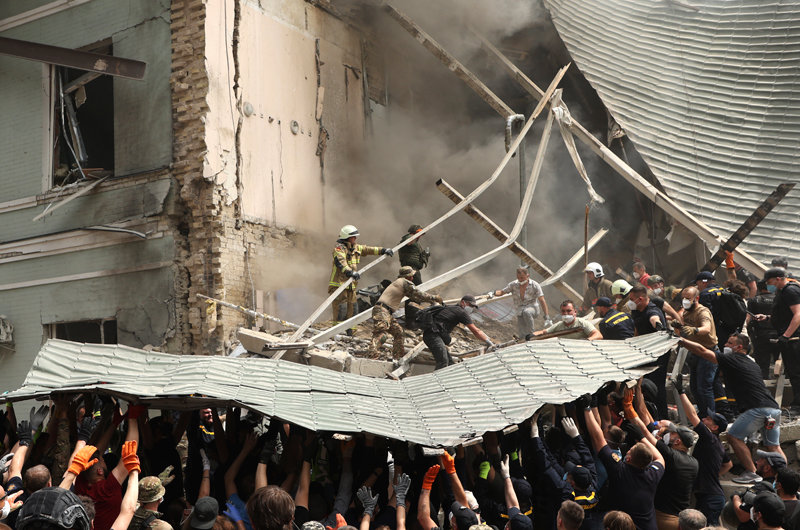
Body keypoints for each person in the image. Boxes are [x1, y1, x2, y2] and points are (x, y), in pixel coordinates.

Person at [679, 334, 785, 484]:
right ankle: (785, 477)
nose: (726, 345)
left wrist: (681, 340)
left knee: (733, 437)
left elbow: (702, 351)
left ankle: (752, 472)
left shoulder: (732, 359)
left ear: (739, 347)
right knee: (773, 446)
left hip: (756, 409)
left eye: (729, 343)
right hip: (773, 409)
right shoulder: (752, 363)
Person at [582, 397, 665, 530]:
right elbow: (660, 458)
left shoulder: (620, 470)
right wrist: (642, 439)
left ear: (628, 459)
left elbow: (598, 439)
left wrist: (587, 408)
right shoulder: (653, 474)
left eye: (629, 451)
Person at [672, 374, 731, 525]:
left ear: (715, 427)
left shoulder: (710, 438)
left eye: (708, 419)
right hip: (710, 497)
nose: (704, 419)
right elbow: (728, 464)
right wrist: (711, 475)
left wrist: (681, 391)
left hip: (710, 499)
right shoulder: (716, 443)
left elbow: (692, 415)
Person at [368, 266, 442, 359]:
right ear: (408, 276)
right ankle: (372, 355)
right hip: (383, 310)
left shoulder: (399, 283)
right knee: (381, 334)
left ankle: (397, 357)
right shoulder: (405, 282)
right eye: (412, 275)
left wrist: (429, 301)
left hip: (386, 312)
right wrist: (434, 298)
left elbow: (414, 297)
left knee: (398, 332)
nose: (413, 277)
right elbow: (419, 294)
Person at [755, 268, 800, 414]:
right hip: (789, 338)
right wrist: (767, 317)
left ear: (778, 278)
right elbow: (784, 314)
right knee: (793, 372)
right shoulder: (782, 292)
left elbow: (798, 315)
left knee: (796, 372)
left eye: (770, 282)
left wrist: (786, 336)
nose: (769, 286)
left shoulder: (790, 291)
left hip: (794, 339)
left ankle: (798, 405)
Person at [328, 225, 394, 322]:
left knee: (353, 311)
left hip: (351, 286)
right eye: (353, 237)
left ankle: (351, 333)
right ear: (347, 237)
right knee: (340, 311)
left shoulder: (355, 248)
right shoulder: (339, 249)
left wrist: (383, 250)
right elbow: (341, 262)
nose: (355, 238)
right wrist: (350, 272)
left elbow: (369, 249)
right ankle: (336, 334)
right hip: (339, 285)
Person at [418, 295, 495, 370]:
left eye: (473, 307)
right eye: (470, 305)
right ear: (462, 302)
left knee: (450, 364)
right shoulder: (461, 312)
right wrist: (490, 343)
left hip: (432, 335)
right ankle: (434, 382)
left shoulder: (451, 307)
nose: (471, 308)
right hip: (433, 336)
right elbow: (476, 331)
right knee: (443, 362)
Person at [677, 286, 719, 415]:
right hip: (695, 352)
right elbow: (684, 325)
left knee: (704, 388)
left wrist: (695, 330)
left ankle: (711, 417)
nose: (685, 301)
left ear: (697, 298)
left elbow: (706, 328)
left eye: (688, 298)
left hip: (707, 353)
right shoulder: (686, 311)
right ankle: (702, 414)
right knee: (694, 388)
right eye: (683, 298)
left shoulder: (703, 312)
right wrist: (679, 325)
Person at [629, 285, 669, 417]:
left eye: (631, 299)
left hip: (659, 354)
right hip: (645, 353)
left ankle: (662, 416)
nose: (629, 302)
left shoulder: (651, 310)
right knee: (646, 385)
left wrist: (659, 326)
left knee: (657, 385)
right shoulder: (637, 311)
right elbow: (637, 330)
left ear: (640, 299)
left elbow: (654, 319)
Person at [488, 267, 551, 338]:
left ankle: (532, 335)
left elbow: (542, 300)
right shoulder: (514, 285)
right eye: (518, 278)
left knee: (526, 312)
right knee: (521, 324)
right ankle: (523, 339)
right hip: (520, 309)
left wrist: (546, 316)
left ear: (527, 276)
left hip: (533, 308)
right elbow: (502, 292)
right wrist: (493, 293)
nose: (520, 280)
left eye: (522, 277)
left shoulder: (535, 285)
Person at [748, 281, 781, 379]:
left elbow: (748, 319)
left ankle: (763, 386)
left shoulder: (754, 300)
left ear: (759, 288)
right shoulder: (779, 299)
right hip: (779, 335)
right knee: (780, 364)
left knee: (762, 365)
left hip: (761, 336)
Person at [532, 300, 602, 340]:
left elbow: (598, 335)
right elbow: (544, 332)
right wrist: (532, 335)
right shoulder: (559, 325)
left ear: (575, 312)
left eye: (569, 311)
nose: (566, 314)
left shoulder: (582, 323)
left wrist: (586, 341)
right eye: (563, 311)